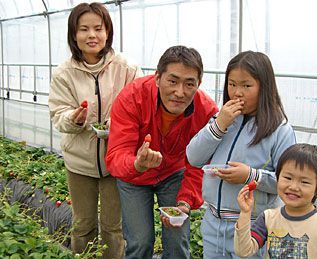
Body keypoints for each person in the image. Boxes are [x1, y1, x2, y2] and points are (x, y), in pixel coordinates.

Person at [105, 45, 219, 259]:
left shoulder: (206, 112)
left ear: (199, 84)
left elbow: (201, 163)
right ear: (157, 78)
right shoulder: (133, 97)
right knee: (140, 242)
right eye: (172, 81)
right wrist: (137, 164)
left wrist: (186, 201)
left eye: (189, 84)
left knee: (178, 242)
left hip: (175, 174)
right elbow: (117, 153)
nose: (179, 92)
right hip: (134, 178)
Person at [48, 2, 143, 258]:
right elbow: (58, 115)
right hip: (79, 163)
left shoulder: (127, 68)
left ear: (107, 31)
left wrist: (119, 125)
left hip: (117, 162)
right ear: (74, 34)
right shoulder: (64, 73)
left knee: (113, 227)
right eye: (84, 29)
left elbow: (141, 109)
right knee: (83, 225)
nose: (92, 35)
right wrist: (75, 118)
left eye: (98, 28)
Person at [186, 50, 296, 258]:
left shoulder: (279, 130)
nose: (237, 92)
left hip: (252, 228)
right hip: (213, 225)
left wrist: (250, 176)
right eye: (232, 84)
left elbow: (288, 183)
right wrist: (218, 126)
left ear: (265, 87)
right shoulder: (222, 119)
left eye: (246, 85)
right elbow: (193, 157)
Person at [234, 143, 317, 258]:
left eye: (304, 182)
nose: (293, 187)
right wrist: (245, 213)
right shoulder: (268, 218)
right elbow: (243, 251)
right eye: (288, 178)